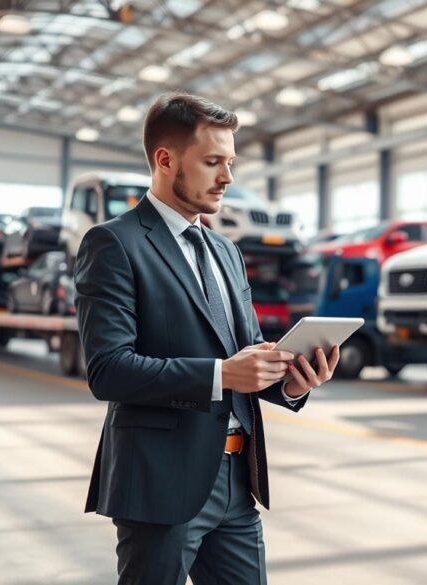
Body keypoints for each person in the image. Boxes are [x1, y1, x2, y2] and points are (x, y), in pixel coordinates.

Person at [74, 92, 341, 585]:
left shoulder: (225, 252)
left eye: (231, 162)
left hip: (238, 485)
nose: (228, 178)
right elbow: (108, 369)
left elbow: (248, 356)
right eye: (213, 162)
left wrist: (291, 381)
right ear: (165, 159)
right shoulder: (114, 244)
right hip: (160, 485)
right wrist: (222, 374)